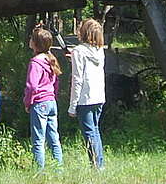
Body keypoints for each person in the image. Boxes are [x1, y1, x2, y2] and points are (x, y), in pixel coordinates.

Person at [69, 18, 106, 169]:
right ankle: (99, 163)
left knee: (89, 134)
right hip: (99, 96)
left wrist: (72, 106)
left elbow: (77, 79)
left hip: (85, 98)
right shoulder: (100, 50)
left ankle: (97, 166)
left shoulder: (78, 51)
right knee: (95, 131)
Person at [25, 27, 62, 170]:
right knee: (54, 137)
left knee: (38, 140)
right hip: (51, 101)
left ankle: (39, 171)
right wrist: (54, 96)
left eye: (31, 38)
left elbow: (32, 86)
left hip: (39, 103)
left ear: (35, 43)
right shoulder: (50, 59)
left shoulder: (35, 62)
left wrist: (28, 102)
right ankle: (58, 168)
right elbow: (56, 82)